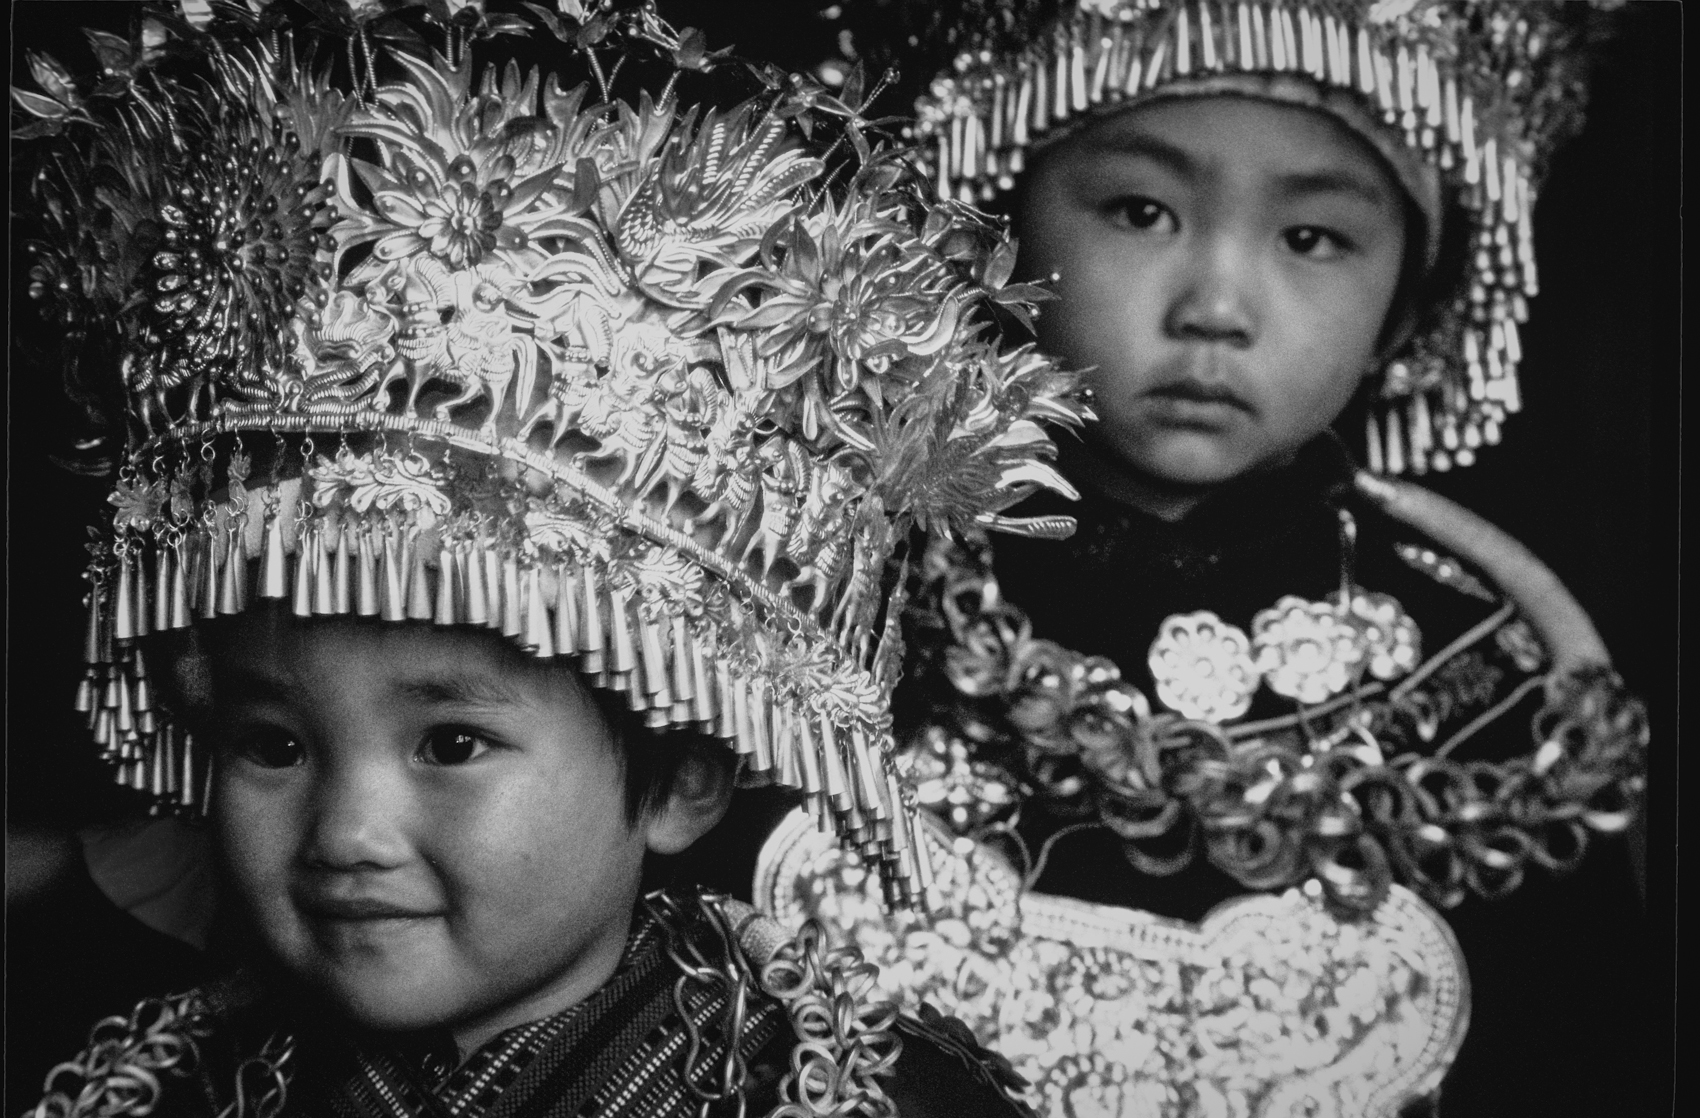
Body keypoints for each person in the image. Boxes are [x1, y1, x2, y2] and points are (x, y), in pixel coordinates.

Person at [10, 2, 1091, 1115]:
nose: (345, 831)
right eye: (273, 742)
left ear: (680, 780)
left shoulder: (863, 1097)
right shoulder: (149, 1084)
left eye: (451, 740)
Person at [752, 2, 1653, 1115]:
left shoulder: (1500, 687)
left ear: (1404, 306)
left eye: (1311, 237)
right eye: (1141, 211)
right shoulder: (797, 599)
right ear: (990, 229)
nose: (1215, 307)